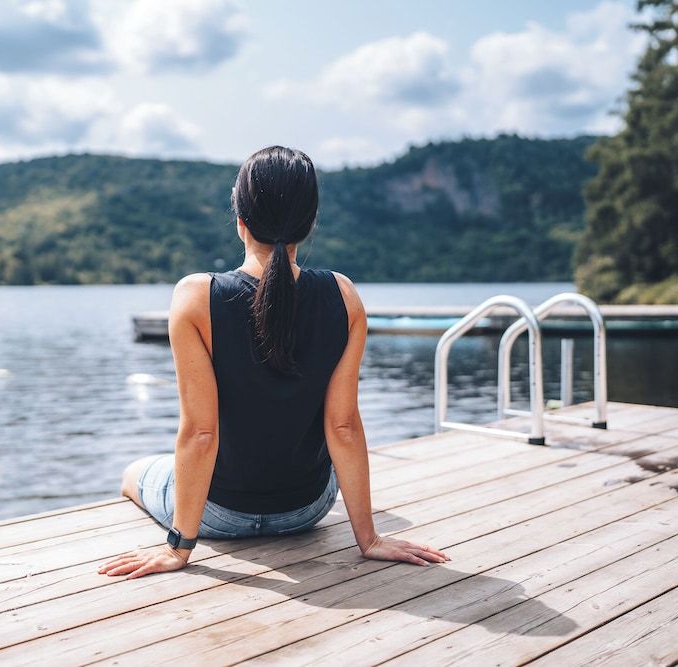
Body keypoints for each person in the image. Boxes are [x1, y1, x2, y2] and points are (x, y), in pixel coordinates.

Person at [98, 146, 449, 580]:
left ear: (240, 220)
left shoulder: (195, 296)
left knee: (134, 472)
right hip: (307, 509)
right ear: (310, 222)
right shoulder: (345, 296)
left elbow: (200, 434)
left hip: (219, 515)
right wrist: (369, 539)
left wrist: (179, 548)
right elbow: (343, 427)